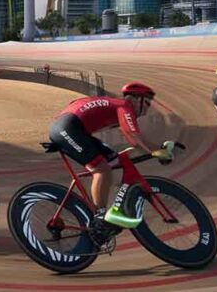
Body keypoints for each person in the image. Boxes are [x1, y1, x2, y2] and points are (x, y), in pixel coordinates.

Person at [48, 82, 174, 246]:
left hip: (73, 128)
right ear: (136, 99)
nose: (147, 109)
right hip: (68, 128)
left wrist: (154, 150)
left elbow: (133, 139)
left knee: (115, 160)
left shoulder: (116, 105)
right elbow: (133, 136)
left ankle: (105, 203)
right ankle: (100, 218)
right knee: (101, 169)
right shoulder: (124, 105)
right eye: (147, 103)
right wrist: (158, 151)